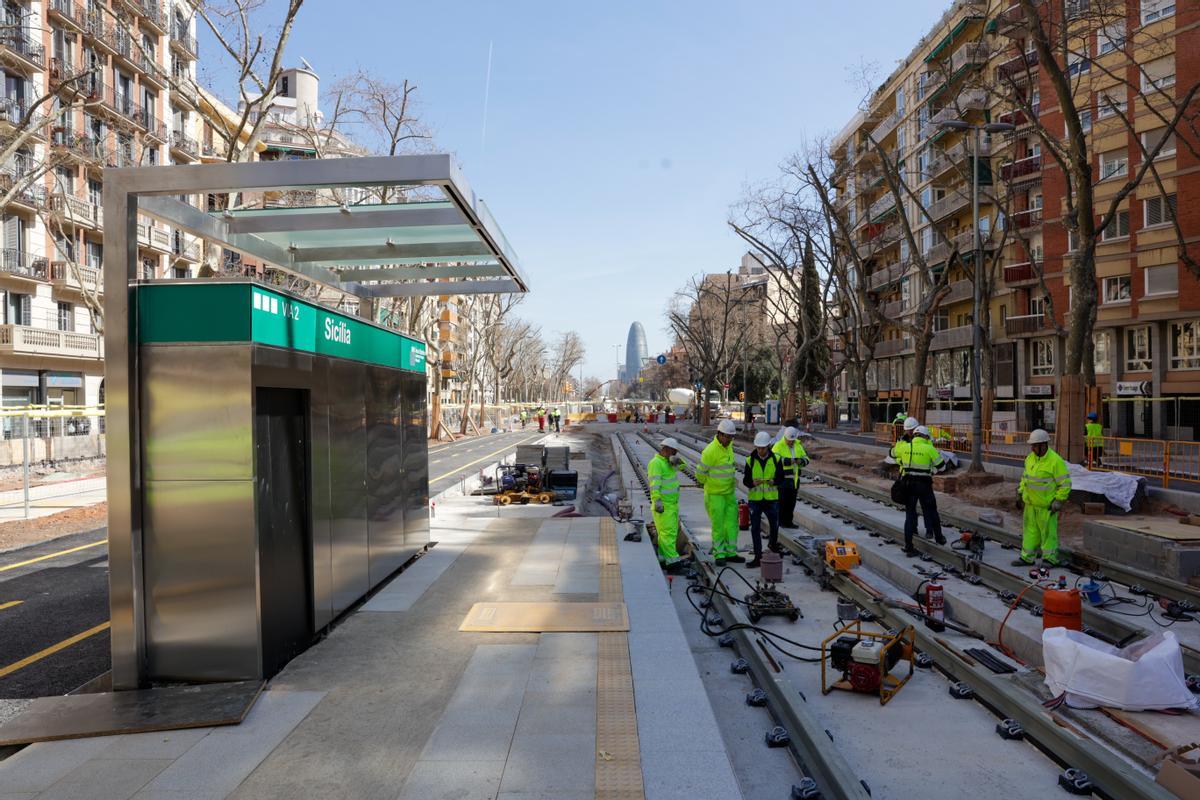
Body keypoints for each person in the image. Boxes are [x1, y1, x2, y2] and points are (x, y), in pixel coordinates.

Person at [1015, 429, 1071, 567]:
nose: (1033, 448)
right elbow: (1025, 478)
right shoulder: (1030, 458)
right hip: (1030, 505)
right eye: (1032, 446)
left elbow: (1065, 484)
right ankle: (1027, 557)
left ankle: (1050, 559)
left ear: (1044, 445)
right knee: (1030, 532)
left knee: (1048, 534)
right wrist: (1020, 492)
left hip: (1047, 507)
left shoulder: (1055, 461)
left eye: (1035, 446)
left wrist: (1058, 500)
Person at [889, 424, 946, 555]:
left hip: (908, 485)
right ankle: (939, 538)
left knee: (909, 515)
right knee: (932, 511)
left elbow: (891, 453)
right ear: (926, 436)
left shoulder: (905, 447)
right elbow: (942, 466)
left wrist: (900, 442)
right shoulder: (929, 448)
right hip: (924, 485)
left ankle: (909, 547)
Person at [696, 419, 741, 565]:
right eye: (727, 436)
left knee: (732, 524)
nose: (729, 439)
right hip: (715, 495)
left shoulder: (729, 447)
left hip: (729, 493)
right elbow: (700, 474)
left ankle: (731, 552)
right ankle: (719, 554)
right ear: (719, 434)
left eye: (731, 437)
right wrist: (708, 485)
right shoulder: (710, 451)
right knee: (719, 525)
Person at [743, 431, 784, 567]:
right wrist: (752, 483)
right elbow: (745, 480)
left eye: (763, 448)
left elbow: (781, 478)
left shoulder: (776, 459)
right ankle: (758, 556)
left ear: (768, 446)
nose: (760, 450)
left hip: (771, 499)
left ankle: (772, 545)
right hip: (755, 500)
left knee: (774, 525)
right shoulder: (750, 460)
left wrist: (775, 481)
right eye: (758, 448)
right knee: (755, 528)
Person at [649, 437, 686, 568]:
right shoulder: (656, 463)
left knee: (666, 534)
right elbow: (655, 485)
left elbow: (683, 467)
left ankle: (663, 558)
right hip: (664, 506)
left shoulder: (668, 462)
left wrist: (677, 461)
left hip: (672, 505)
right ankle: (673, 563)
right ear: (666, 449)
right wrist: (657, 500)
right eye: (673, 452)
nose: (674, 455)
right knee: (668, 535)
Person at [772, 426, 809, 530]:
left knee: (791, 503)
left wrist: (801, 461)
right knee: (782, 503)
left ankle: (788, 522)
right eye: (789, 440)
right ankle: (779, 522)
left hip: (794, 480)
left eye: (792, 440)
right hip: (783, 480)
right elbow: (775, 460)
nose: (791, 442)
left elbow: (806, 458)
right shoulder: (778, 446)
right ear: (785, 437)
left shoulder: (798, 445)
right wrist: (790, 461)